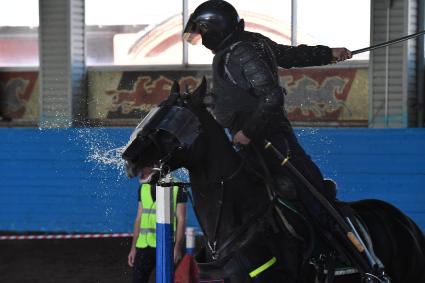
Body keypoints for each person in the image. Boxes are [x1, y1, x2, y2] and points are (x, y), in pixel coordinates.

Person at [183, 0, 387, 280]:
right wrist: (329, 53)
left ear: (214, 30)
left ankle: (360, 261)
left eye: (203, 33)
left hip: (268, 139)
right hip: (247, 141)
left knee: (312, 193)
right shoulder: (247, 44)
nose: (202, 40)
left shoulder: (240, 51)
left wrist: (247, 132)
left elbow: (272, 97)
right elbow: (291, 56)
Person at [128, 167, 187, 283]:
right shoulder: (143, 187)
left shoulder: (178, 186)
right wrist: (133, 248)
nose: (142, 172)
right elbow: (138, 218)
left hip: (168, 245)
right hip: (144, 245)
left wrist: (178, 247)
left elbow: (181, 219)